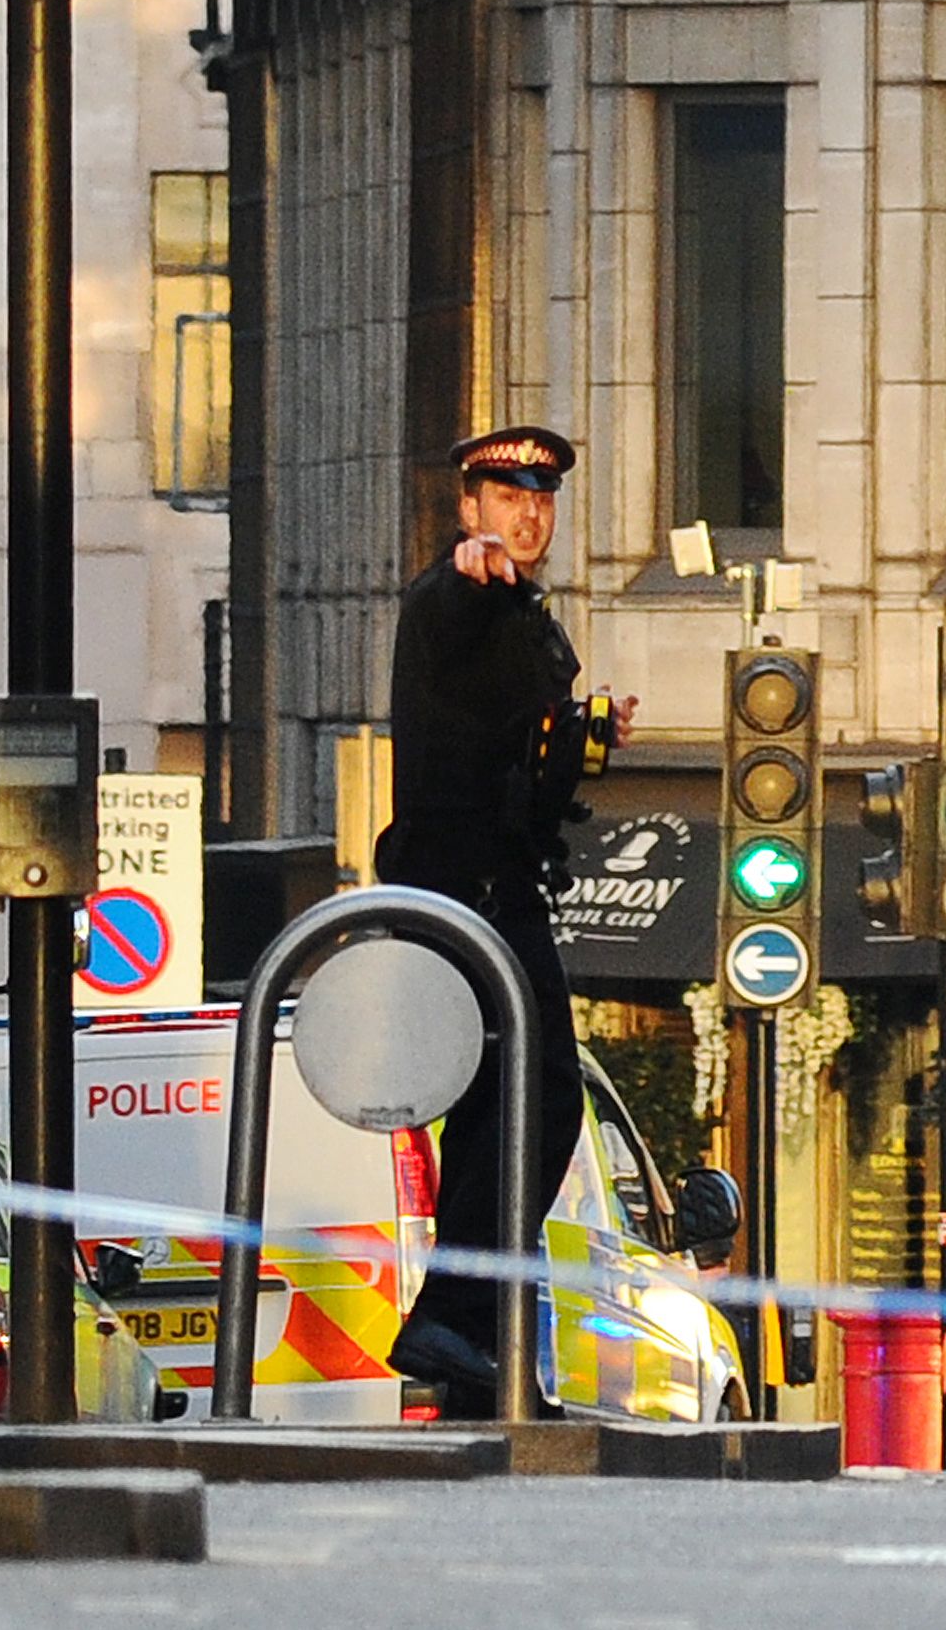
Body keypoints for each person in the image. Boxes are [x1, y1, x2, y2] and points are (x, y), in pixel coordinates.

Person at [375, 426, 632, 1415]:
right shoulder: (466, 593)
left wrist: (585, 735)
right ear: (467, 508)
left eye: (542, 497)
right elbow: (456, 599)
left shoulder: (520, 609)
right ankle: (456, 1314)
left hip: (495, 880)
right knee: (540, 1096)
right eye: (507, 496)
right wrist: (470, 567)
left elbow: (523, 761)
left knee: (506, 1110)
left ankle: (484, 1350)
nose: (528, 514)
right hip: (466, 889)